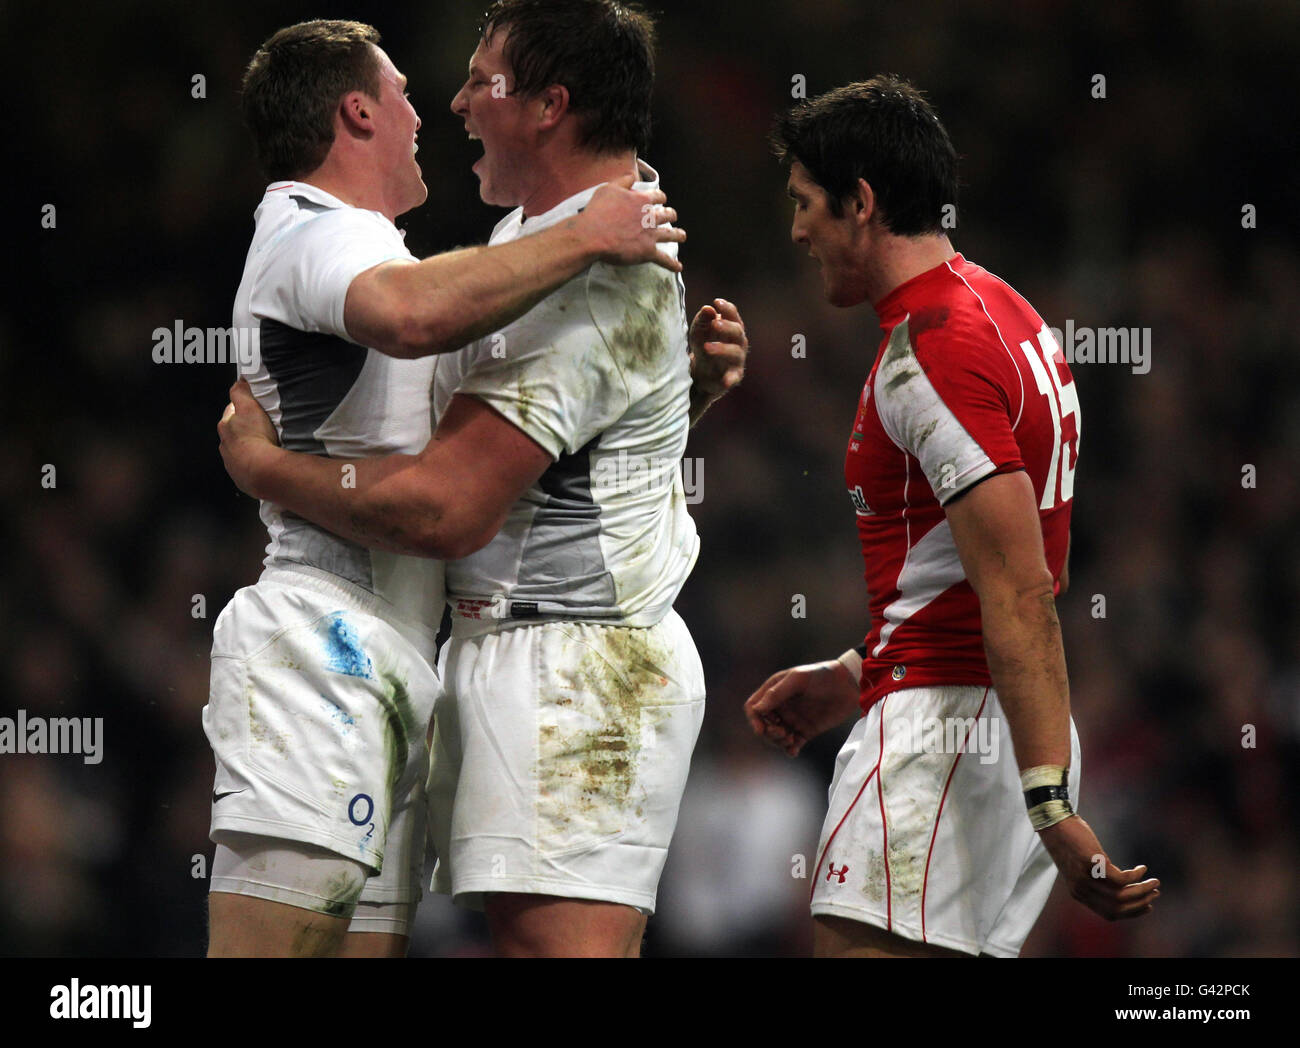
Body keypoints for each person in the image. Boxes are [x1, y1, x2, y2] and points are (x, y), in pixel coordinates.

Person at [218, 1, 747, 957]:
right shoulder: (526, 243)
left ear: (549, 105)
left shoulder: (588, 260)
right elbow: (416, 325)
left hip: (572, 668)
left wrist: (264, 467)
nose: (450, 105)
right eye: (419, 89)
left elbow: (452, 505)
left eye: (477, 80)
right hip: (382, 641)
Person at [744, 76, 1159, 958]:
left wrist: (1052, 805)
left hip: (944, 739)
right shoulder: (1012, 315)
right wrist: (862, 670)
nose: (797, 231)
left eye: (807, 204)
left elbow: (1019, 591)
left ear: (862, 204)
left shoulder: (930, 352)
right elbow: (1018, 569)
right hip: (982, 723)